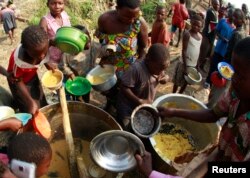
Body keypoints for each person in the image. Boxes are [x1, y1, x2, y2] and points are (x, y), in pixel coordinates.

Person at [157, 37, 250, 162]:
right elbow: (212, 114)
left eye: (241, 76)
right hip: (221, 154)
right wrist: (173, 112)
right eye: (234, 72)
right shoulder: (234, 94)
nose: (234, 80)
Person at [95, 0, 148, 111]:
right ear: (117, 8)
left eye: (135, 16)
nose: (132, 20)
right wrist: (104, 57)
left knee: (125, 92)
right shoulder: (105, 20)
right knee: (109, 90)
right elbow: (102, 41)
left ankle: (121, 109)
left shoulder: (139, 23)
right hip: (110, 65)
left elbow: (143, 48)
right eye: (127, 16)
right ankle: (110, 104)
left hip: (130, 66)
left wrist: (137, 67)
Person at [116, 43, 170, 129]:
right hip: (127, 108)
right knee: (126, 128)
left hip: (143, 106)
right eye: (158, 69)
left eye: (164, 69)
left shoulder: (159, 67)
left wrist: (166, 78)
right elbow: (124, 87)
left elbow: (163, 74)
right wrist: (139, 100)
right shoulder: (135, 69)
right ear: (148, 59)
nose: (161, 72)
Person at [7, 25, 55, 115]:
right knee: (29, 107)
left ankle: (44, 110)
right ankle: (30, 121)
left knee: (40, 98)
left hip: (32, 76)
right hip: (19, 82)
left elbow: (42, 54)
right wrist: (29, 102)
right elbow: (17, 81)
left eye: (44, 53)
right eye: (37, 55)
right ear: (26, 50)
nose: (41, 57)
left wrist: (47, 63)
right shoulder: (19, 62)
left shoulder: (41, 46)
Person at [58, 24, 101, 102]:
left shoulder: (93, 46)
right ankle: (76, 101)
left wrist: (109, 49)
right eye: (86, 43)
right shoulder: (67, 52)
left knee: (86, 95)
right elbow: (62, 66)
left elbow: (103, 50)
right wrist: (70, 73)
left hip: (87, 79)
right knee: (75, 96)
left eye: (89, 40)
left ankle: (86, 104)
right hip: (75, 80)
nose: (89, 44)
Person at [204, 7, 235, 88]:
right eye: (231, 14)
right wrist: (222, 38)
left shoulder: (234, 28)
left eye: (233, 15)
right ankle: (208, 81)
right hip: (218, 49)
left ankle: (213, 83)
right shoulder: (223, 21)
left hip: (225, 53)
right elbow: (216, 31)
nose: (232, 16)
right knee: (213, 65)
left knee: (219, 69)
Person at [173, 14, 203, 93]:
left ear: (201, 27)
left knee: (186, 82)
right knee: (177, 80)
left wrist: (198, 64)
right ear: (191, 23)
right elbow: (184, 50)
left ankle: (179, 95)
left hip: (192, 65)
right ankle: (173, 93)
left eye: (199, 26)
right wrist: (185, 66)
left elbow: (198, 51)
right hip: (184, 63)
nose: (196, 27)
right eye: (195, 24)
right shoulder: (187, 34)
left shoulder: (200, 37)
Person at [39, 0, 71, 64]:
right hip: (54, 59)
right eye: (53, 3)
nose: (57, 6)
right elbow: (40, 45)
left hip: (67, 55)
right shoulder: (45, 21)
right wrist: (50, 42)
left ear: (64, 4)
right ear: (48, 4)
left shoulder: (64, 15)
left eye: (60, 3)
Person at [197, 0, 220, 71]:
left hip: (211, 36)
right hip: (207, 35)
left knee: (208, 53)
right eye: (216, 4)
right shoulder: (211, 11)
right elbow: (214, 26)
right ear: (212, 4)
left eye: (218, 5)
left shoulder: (216, 12)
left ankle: (201, 66)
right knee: (203, 52)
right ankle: (197, 67)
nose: (217, 6)